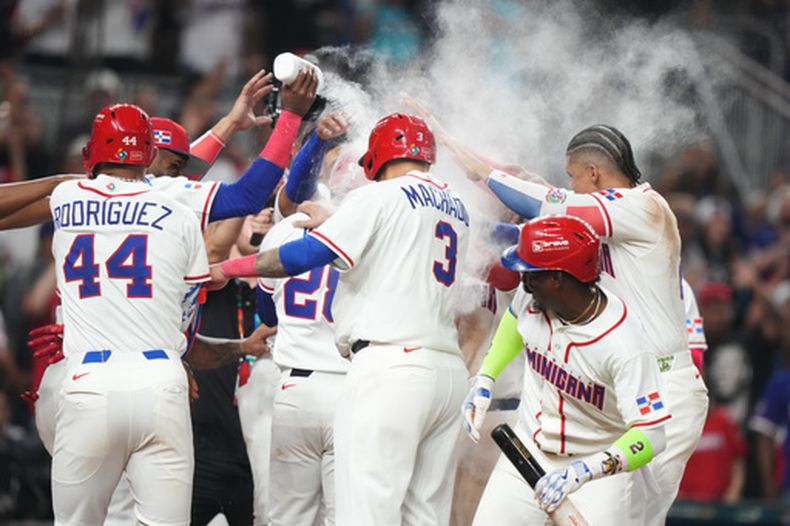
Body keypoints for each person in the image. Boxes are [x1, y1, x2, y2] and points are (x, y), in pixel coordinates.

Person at [213, 113, 471, 525]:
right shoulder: (456, 205)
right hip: (446, 370)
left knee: (365, 512)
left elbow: (302, 256)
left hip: (390, 366)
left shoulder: (377, 196)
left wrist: (230, 268)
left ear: (380, 156)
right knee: (424, 514)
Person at [474, 124, 708, 524]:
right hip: (616, 392)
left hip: (662, 387)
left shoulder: (642, 208)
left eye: (573, 177)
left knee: (634, 519)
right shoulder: (588, 253)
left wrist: (469, 164)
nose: (570, 188)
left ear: (595, 173)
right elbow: (531, 238)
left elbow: (544, 206)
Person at [48, 102, 211, 525]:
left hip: (89, 381)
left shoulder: (65, 197)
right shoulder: (179, 211)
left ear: (92, 152)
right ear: (150, 154)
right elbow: (189, 304)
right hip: (162, 381)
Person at [465, 215, 671, 525]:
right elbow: (515, 317)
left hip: (597, 471)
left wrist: (586, 471)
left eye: (530, 272)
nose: (523, 280)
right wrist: (486, 377)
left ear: (557, 278)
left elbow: (652, 435)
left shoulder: (625, 345)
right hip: (529, 449)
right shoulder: (535, 295)